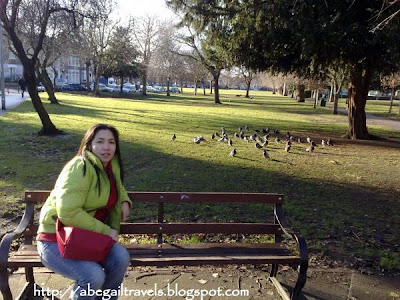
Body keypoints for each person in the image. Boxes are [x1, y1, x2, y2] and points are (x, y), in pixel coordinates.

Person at [37, 123, 132, 300]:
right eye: (100, 141)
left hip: (87, 237)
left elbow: (114, 186)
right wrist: (106, 231)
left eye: (111, 142)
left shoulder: (110, 166)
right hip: (55, 239)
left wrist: (124, 199)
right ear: (89, 144)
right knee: (93, 276)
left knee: (121, 257)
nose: (106, 147)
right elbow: (68, 213)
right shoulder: (79, 168)